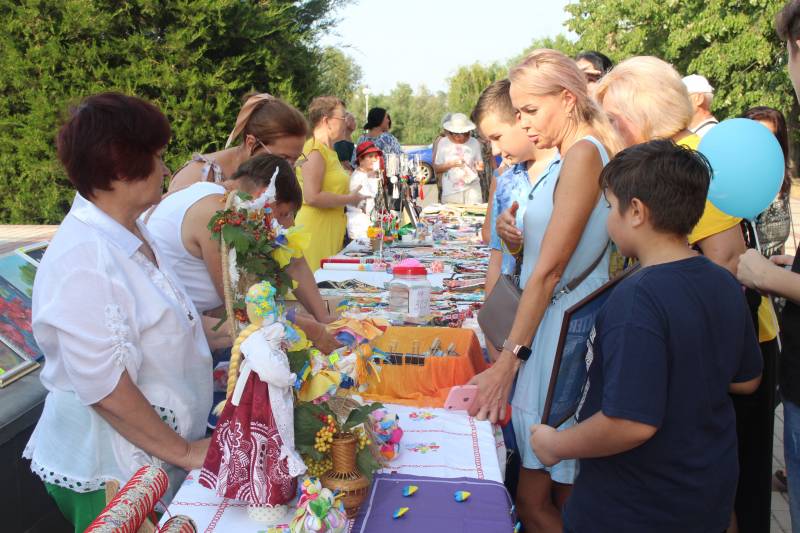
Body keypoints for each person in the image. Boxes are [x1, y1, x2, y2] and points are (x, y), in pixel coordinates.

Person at [530, 139, 763, 533]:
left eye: (609, 207)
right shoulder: (723, 282)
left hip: (635, 506)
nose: (608, 220)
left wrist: (555, 445)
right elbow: (747, 379)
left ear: (636, 211)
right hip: (704, 493)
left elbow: (630, 423)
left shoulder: (636, 299)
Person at [597, 56, 780, 532]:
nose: (610, 132)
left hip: (731, 349)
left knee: (728, 491)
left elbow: (726, 258)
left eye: (612, 120)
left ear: (633, 117)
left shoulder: (689, 163)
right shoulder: (675, 158)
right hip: (722, 346)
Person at [23, 93, 212, 532]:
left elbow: (167, 323)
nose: (166, 170)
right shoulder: (84, 259)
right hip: (108, 466)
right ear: (120, 168)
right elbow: (105, 389)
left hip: (151, 451)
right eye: (158, 157)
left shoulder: (132, 230)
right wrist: (184, 453)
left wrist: (244, 333)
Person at [469, 49, 622, 532]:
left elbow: (551, 271)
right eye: (517, 113)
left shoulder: (582, 153)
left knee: (543, 496)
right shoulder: (572, 154)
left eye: (530, 111)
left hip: (557, 334)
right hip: (549, 327)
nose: (523, 123)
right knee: (549, 490)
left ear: (568, 98)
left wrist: (507, 360)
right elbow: (551, 255)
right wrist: (518, 238)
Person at [147, 154, 340, 355]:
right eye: (284, 214)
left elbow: (293, 259)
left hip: (191, 328)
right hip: (174, 344)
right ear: (265, 196)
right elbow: (245, 307)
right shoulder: (220, 212)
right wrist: (312, 330)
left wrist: (321, 318)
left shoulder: (221, 197)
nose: (287, 225)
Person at [167, 92, 307, 193]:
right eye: (283, 158)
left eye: (295, 160)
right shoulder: (199, 176)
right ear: (251, 143)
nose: (290, 169)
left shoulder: (273, 180)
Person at [296, 96, 368, 271]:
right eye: (343, 117)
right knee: (317, 284)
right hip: (315, 231)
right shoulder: (315, 150)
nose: (346, 122)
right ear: (326, 121)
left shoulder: (329, 151)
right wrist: (349, 199)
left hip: (328, 228)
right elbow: (312, 196)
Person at [742, 106, 793, 258]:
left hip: (775, 273)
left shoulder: (781, 179)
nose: (759, 144)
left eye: (768, 137)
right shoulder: (734, 183)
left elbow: (779, 244)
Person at [433, 113, 485, 204]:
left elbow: (480, 165)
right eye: (459, 135)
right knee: (452, 217)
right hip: (451, 192)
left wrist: (478, 166)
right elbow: (437, 169)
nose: (463, 138)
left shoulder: (474, 142)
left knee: (474, 215)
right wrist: (451, 164)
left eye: (466, 134)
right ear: (452, 133)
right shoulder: (443, 143)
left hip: (473, 189)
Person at [346, 141, 383, 240]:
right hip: (359, 226)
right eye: (370, 156)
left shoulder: (368, 174)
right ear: (361, 159)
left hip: (368, 223)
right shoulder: (357, 177)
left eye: (376, 156)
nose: (374, 159)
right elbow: (362, 205)